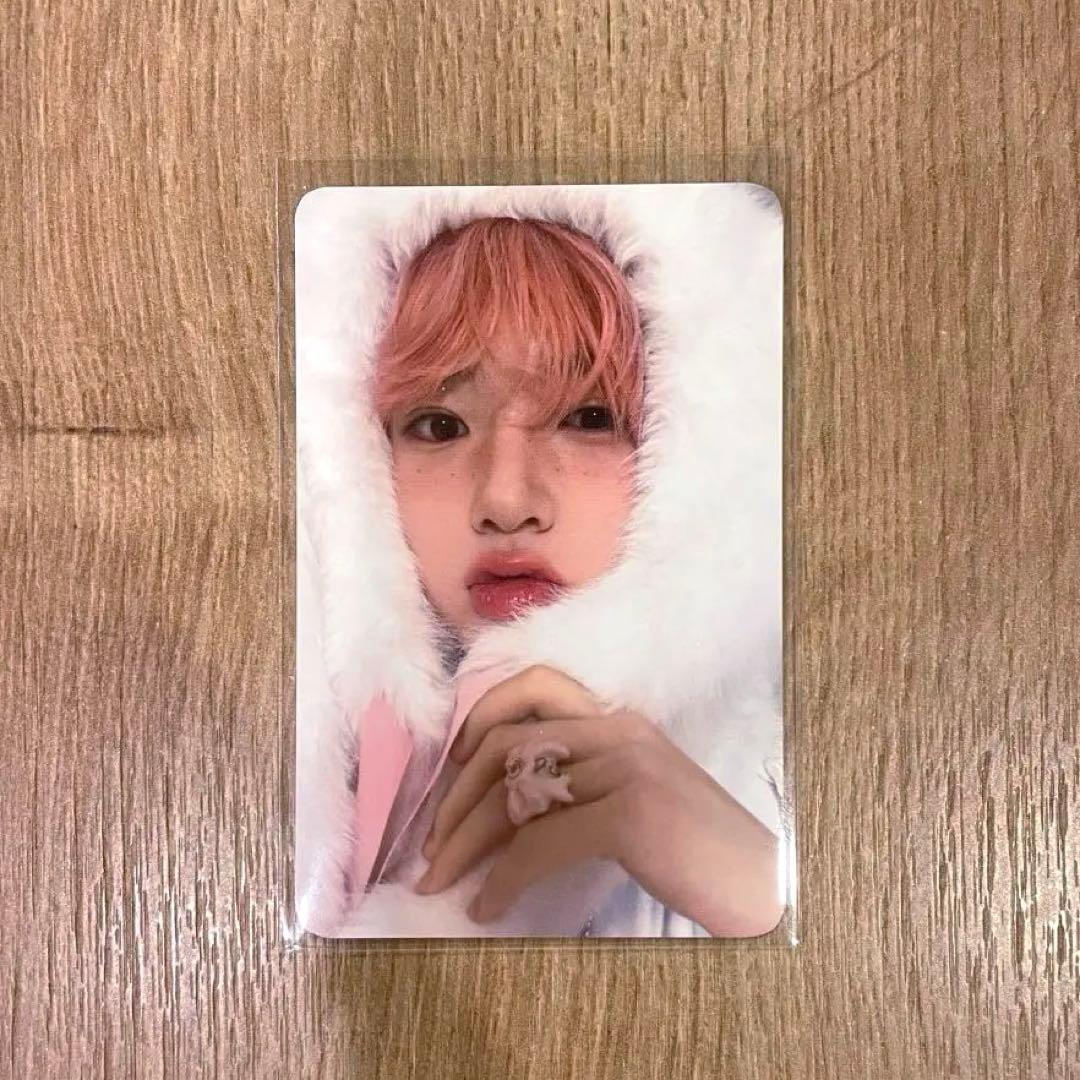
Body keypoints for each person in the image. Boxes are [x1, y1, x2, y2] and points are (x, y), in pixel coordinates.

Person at [295, 185, 786, 938]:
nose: (506, 500)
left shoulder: (802, 777)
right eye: (439, 426)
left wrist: (762, 892)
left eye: (588, 417)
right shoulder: (263, 783)